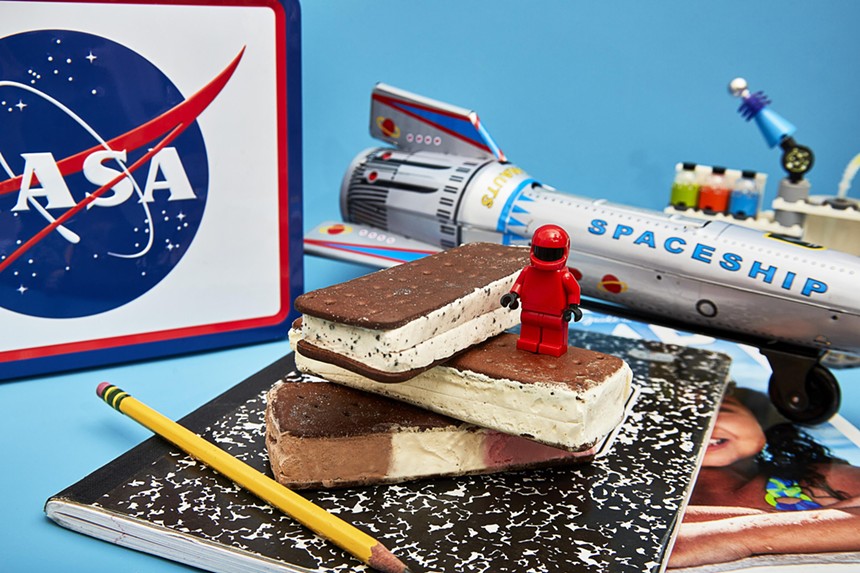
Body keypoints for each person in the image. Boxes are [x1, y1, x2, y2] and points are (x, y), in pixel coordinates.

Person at [669, 391, 860, 568]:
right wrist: (827, 521)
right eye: (673, 420)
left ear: (757, 418)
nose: (701, 425)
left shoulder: (816, 479)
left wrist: (734, 534)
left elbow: (676, 538)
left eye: (715, 410)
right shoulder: (651, 504)